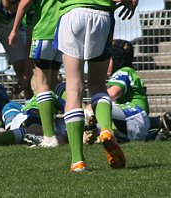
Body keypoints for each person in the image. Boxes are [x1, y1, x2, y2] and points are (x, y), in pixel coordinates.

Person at [54, 0, 138, 172]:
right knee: (98, 84)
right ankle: (106, 130)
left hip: (73, 12)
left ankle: (78, 161)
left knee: (73, 88)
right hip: (102, 15)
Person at [83, 39, 171, 143]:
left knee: (98, 106)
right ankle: (157, 129)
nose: (104, 63)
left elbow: (113, 93)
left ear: (117, 59)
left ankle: (101, 133)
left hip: (134, 118)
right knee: (98, 115)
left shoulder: (122, 72)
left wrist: (92, 104)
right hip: (137, 122)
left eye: (107, 59)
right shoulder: (130, 72)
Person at [8, 0, 62, 148]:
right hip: (63, 32)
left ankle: (49, 137)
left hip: (45, 30)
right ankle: (83, 110)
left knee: (42, 84)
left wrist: (14, 29)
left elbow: (25, 2)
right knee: (53, 82)